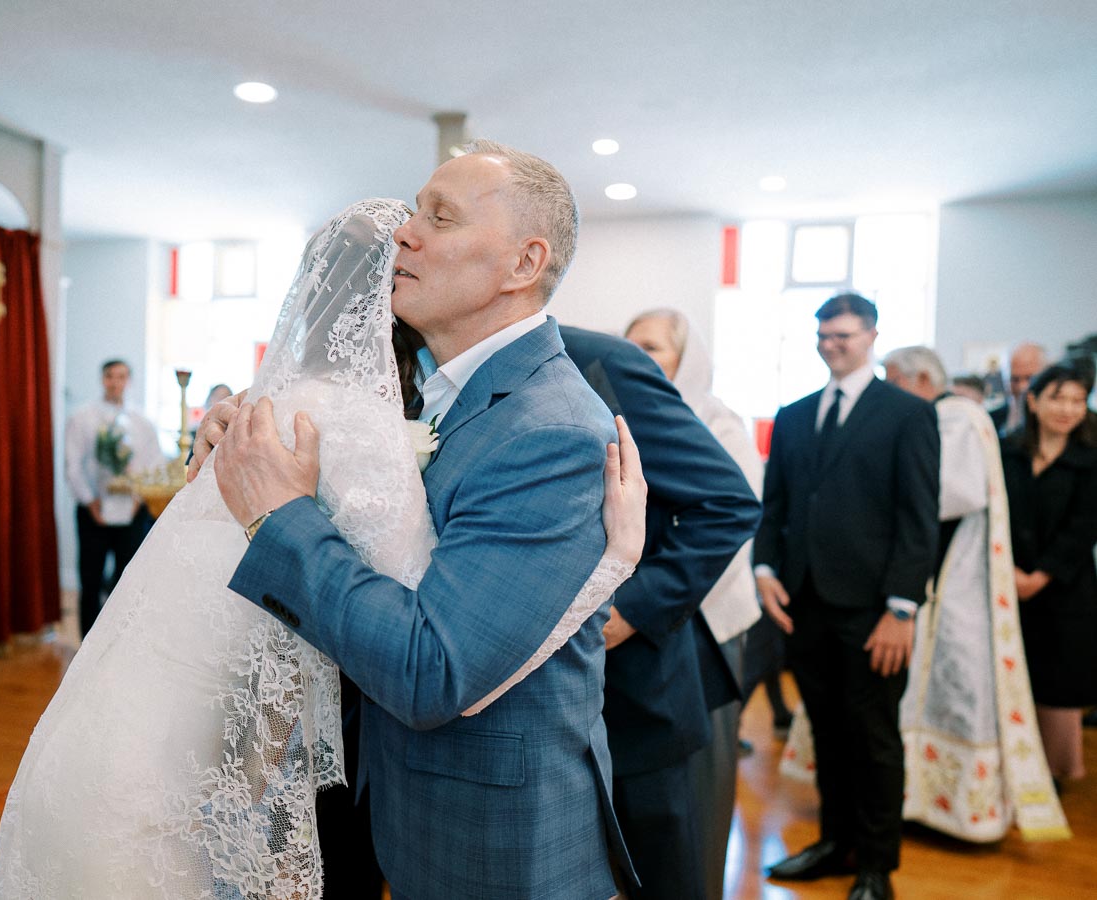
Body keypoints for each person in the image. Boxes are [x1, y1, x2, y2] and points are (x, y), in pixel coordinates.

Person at [0, 198, 647, 899]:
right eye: (407, 238)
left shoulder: (278, 406)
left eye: (442, 221)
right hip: (229, 746)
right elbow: (435, 656)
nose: (417, 241)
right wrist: (610, 565)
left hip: (146, 723)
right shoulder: (356, 423)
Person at [211, 143, 643, 900]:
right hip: (410, 810)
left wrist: (279, 515)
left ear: (521, 264)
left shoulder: (551, 431)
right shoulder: (428, 394)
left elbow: (433, 669)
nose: (404, 233)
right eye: (414, 211)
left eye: (439, 217)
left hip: (498, 845)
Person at [755, 294, 939, 900]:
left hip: (872, 609)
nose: (831, 345)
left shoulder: (907, 414)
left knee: (874, 737)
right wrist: (764, 569)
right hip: (804, 601)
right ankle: (836, 843)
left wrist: (901, 607)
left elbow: (919, 519)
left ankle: (876, 866)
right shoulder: (794, 413)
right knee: (826, 733)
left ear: (871, 336)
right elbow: (776, 506)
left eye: (843, 335)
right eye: (823, 335)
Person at [594, 309, 761, 900]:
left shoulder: (719, 421)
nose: (641, 356)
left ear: (686, 357)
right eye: (633, 342)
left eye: (655, 346)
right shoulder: (609, 406)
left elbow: (730, 516)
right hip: (655, 626)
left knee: (689, 801)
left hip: (705, 622)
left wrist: (642, 606)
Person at [883, 348, 1067, 841]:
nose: (886, 391)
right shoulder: (942, 413)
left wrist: (885, 490)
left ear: (921, 378)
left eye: (892, 380)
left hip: (956, 574)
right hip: (937, 570)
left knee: (960, 681)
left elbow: (956, 492)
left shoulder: (956, 417)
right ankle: (915, 798)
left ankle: (962, 812)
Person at [1000, 362, 1097, 786]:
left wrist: (1038, 577)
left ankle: (1056, 772)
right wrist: (1010, 570)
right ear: (1034, 401)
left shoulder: (1090, 458)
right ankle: (1010, 769)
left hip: (1065, 588)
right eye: (1059, 398)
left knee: (1058, 681)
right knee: (1012, 674)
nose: (1069, 409)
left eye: (1078, 400)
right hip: (1006, 582)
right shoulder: (1007, 453)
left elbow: (1083, 527)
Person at [62, 359, 164, 639]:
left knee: (127, 579)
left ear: (128, 380)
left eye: (121, 376)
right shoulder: (83, 418)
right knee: (91, 578)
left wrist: (138, 500)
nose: (115, 382)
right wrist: (89, 500)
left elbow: (153, 465)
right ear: (102, 379)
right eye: (110, 376)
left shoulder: (142, 423)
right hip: (93, 508)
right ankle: (87, 644)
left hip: (132, 510)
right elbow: (73, 463)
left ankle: (119, 642)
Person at [993, 342, 1048, 434]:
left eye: (1029, 378)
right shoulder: (993, 419)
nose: (1022, 387)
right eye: (1015, 379)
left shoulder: (1059, 421)